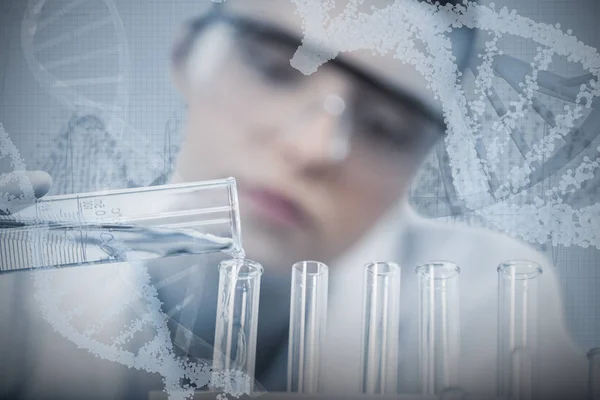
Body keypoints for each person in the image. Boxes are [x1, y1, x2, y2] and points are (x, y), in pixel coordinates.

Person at [0, 1, 589, 399]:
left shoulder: (486, 306)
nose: (313, 147)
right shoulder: (29, 260)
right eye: (275, 69)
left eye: (385, 126)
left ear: (428, 154)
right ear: (187, 55)